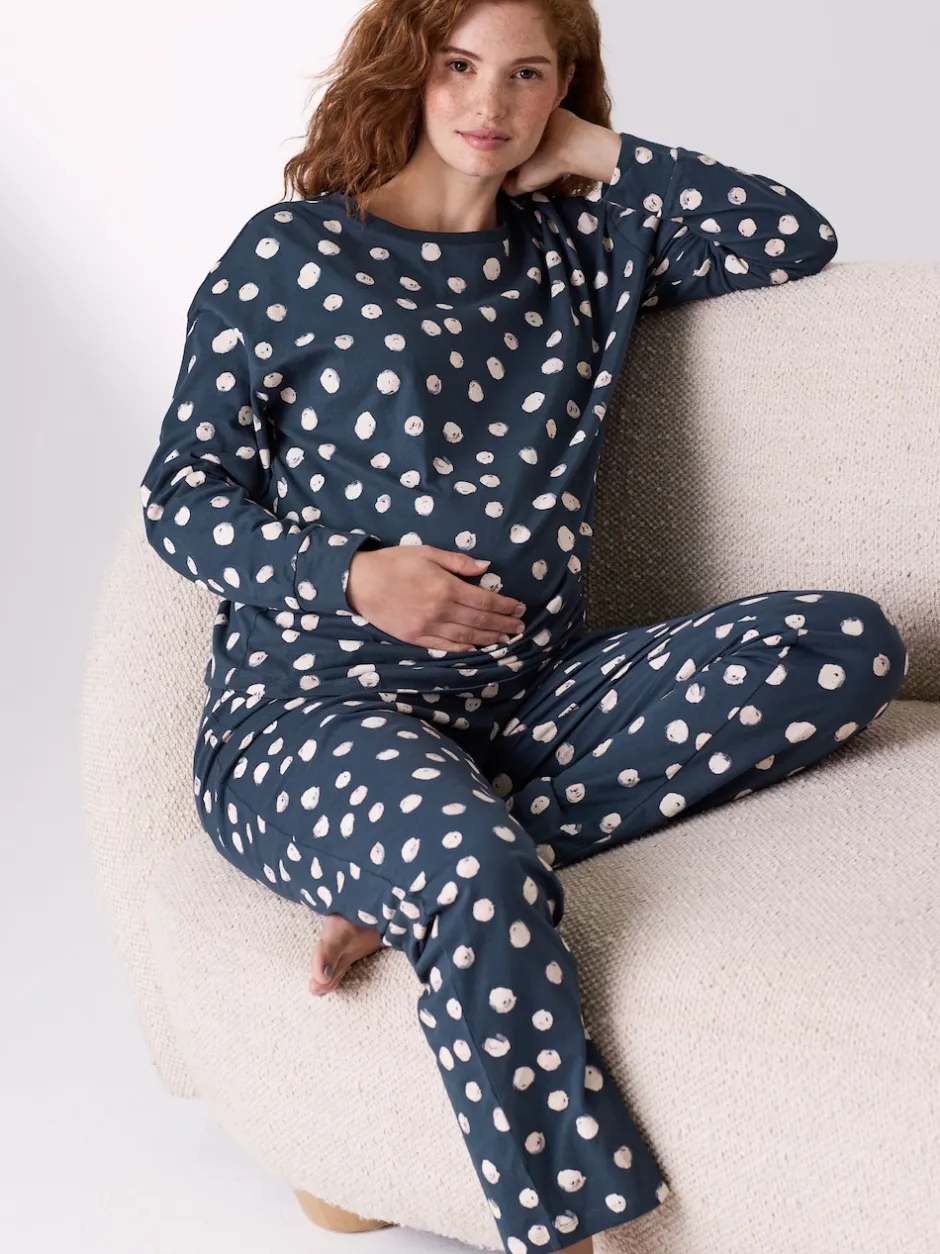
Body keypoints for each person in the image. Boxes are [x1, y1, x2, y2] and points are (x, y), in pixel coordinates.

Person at [139, 1, 908, 1250]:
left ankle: (434, 869)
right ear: (407, 69)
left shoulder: (585, 247)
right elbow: (180, 496)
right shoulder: (294, 253)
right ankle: (569, 1228)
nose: (488, 104)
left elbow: (791, 235)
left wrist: (597, 152)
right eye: (458, 66)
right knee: (476, 869)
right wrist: (352, 577)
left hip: (528, 708)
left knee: (840, 647)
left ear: (563, 87)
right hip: (313, 719)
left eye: (525, 74)